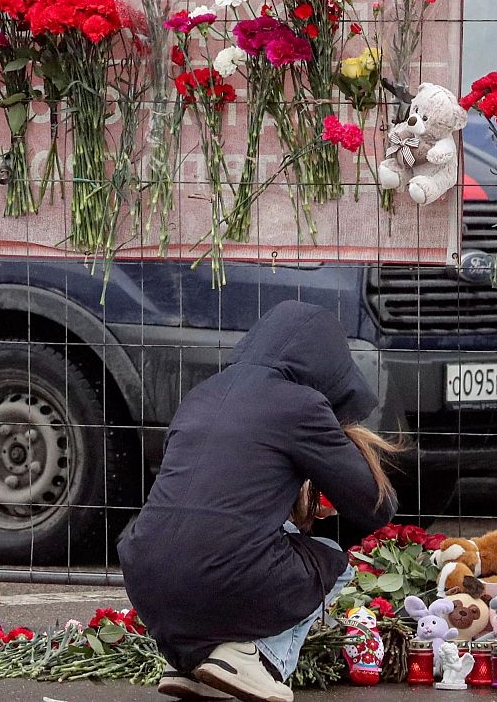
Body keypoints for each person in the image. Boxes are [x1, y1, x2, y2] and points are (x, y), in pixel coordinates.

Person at [118, 300, 401, 702]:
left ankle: (193, 665)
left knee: (246, 542)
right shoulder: (300, 404)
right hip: (219, 576)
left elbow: (216, 496)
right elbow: (376, 506)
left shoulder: (202, 394)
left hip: (143, 576)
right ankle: (258, 660)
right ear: (326, 364)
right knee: (331, 561)